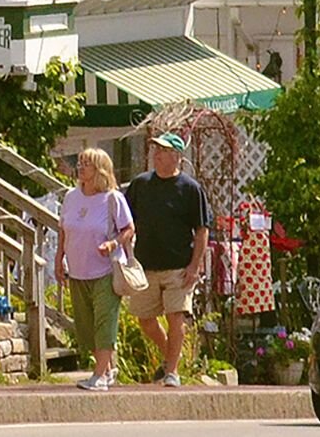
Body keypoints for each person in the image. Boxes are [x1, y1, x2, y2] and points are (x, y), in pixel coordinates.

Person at [125, 130, 211, 386]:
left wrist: (195, 265)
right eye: (156, 150)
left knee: (176, 317)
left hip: (178, 267)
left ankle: (172, 372)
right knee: (145, 320)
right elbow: (126, 220)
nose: (157, 155)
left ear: (176, 157)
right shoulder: (141, 184)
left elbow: (202, 229)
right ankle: (168, 355)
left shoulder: (190, 189)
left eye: (163, 151)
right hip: (145, 265)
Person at [58, 146, 133, 391]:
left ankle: (99, 376)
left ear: (99, 169)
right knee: (86, 326)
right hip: (78, 271)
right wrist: (59, 259)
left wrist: (113, 243)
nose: (80, 168)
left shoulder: (112, 198)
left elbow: (129, 229)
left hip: (105, 271)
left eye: (86, 164)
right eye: (79, 163)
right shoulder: (71, 196)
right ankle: (108, 370)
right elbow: (63, 230)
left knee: (104, 322)